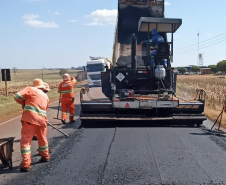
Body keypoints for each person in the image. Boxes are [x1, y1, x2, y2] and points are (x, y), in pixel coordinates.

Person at [14, 79, 50, 172]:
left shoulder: (30, 89)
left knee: (25, 142)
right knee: (42, 139)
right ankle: (45, 156)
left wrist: (24, 102)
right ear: (42, 87)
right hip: (42, 121)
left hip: (30, 120)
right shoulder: (46, 96)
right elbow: (44, 108)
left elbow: (17, 96)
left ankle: (26, 164)